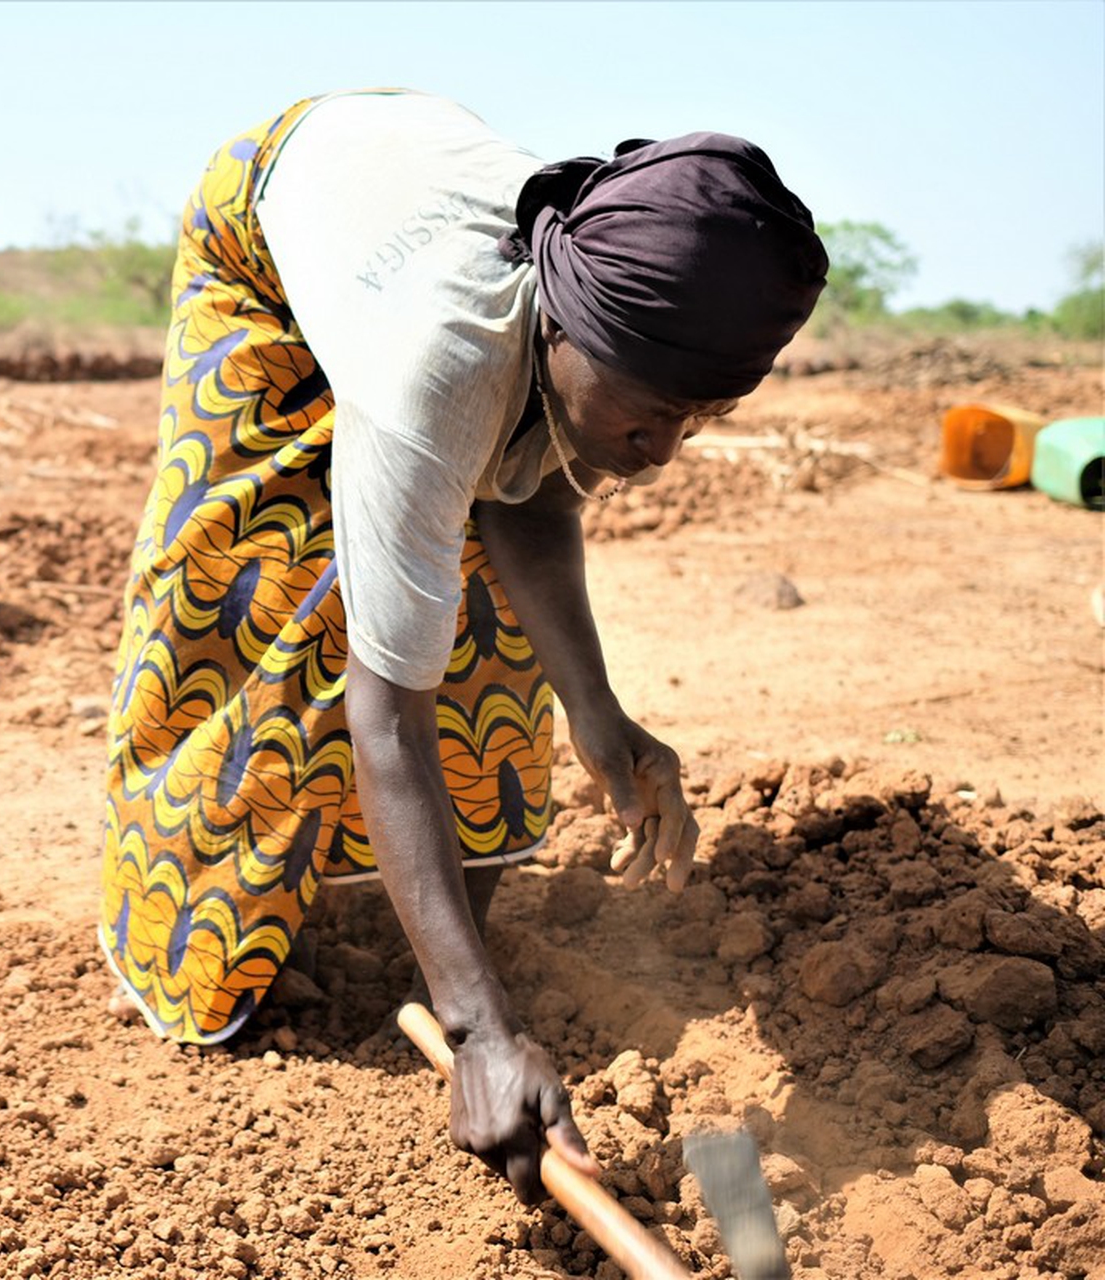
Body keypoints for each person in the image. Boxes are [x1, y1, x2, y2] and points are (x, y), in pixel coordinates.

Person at [98, 90, 825, 1205]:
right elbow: (384, 711)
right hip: (270, 219)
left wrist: (599, 711)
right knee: (260, 586)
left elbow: (524, 488)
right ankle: (188, 936)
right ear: (567, 324)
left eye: (696, 418)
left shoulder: (575, 331)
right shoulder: (437, 361)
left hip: (419, 215)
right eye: (650, 412)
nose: (666, 450)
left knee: (482, 626)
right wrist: (480, 1030)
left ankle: (436, 940)